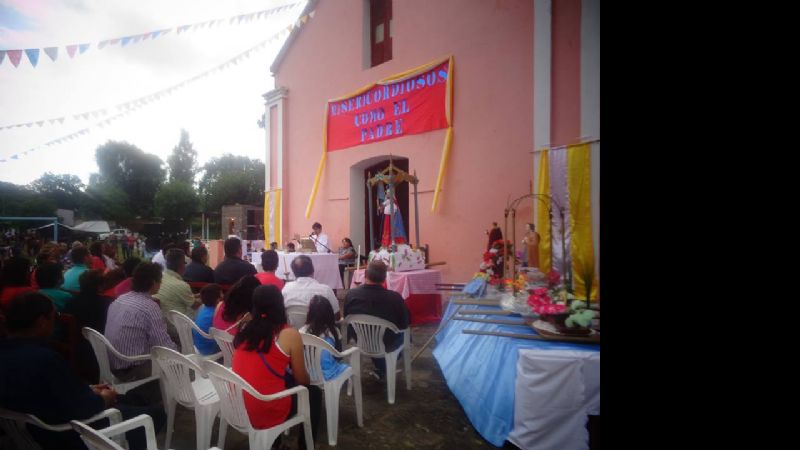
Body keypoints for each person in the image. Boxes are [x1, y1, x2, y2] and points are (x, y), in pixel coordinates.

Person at [0, 292, 166, 450]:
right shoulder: (44, 360)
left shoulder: (11, 354)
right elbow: (82, 407)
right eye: (55, 316)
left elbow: (54, 393)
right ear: (42, 322)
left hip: (40, 428)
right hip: (75, 434)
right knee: (156, 413)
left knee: (135, 397)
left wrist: (89, 390)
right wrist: (103, 399)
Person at [232, 284, 318, 448]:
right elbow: (302, 380)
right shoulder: (288, 334)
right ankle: (305, 445)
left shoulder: (244, 327)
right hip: (264, 409)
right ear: (280, 304)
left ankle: (274, 443)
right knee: (313, 393)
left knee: (274, 382)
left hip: (237, 404)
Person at [104, 262, 176, 402]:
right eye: (160, 281)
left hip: (111, 362)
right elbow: (164, 346)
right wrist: (181, 355)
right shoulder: (149, 307)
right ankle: (172, 400)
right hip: (131, 368)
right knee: (176, 358)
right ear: (154, 283)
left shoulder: (120, 299)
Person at [344, 261, 410, 380]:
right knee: (406, 335)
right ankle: (384, 366)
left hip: (360, 339)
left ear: (365, 274)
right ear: (385, 278)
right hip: (387, 342)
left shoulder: (351, 295)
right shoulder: (394, 298)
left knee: (375, 331)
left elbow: (347, 319)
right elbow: (405, 323)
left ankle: (381, 367)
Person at [299, 295, 349, 381]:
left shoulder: (302, 331)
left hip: (307, 373)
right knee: (347, 366)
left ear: (310, 313)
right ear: (330, 313)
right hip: (328, 374)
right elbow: (339, 355)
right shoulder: (333, 331)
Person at [153, 248, 199, 342]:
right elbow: (195, 305)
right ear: (182, 265)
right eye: (185, 263)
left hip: (163, 323)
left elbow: (180, 296)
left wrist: (199, 295)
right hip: (178, 328)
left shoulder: (160, 277)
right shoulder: (181, 285)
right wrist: (209, 298)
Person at [282, 255, 340, 319]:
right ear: (313, 270)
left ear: (293, 273)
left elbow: (282, 314)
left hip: (293, 328)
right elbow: (337, 316)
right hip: (319, 328)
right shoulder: (326, 290)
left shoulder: (286, 289)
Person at [193, 284, 222, 355]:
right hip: (209, 349)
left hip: (198, 345)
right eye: (222, 294)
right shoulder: (216, 314)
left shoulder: (202, 308)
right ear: (218, 300)